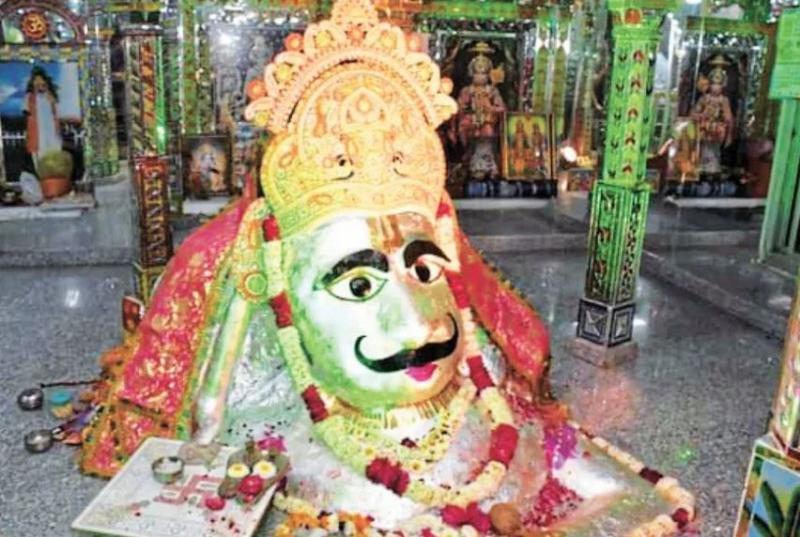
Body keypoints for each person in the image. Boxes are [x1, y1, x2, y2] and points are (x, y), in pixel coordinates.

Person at [77, 2, 694, 535]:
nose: (416, 324)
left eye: (424, 273)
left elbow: (634, 506)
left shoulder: (503, 425)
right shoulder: (268, 458)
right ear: (277, 290)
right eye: (357, 284)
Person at [455, 43, 506, 180]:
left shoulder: (492, 91)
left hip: (488, 120)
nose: (480, 77)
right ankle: (468, 157)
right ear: (472, 74)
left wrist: (490, 108)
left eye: (483, 74)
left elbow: (502, 108)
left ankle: (488, 164)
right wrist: (468, 112)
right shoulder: (467, 90)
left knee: (487, 131)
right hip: (471, 118)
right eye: (477, 73)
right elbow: (459, 107)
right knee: (465, 125)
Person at [691, 57, 735, 175]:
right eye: (713, 84)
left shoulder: (723, 100)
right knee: (703, 151)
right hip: (704, 130)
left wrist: (729, 134)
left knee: (714, 152)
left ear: (723, 86)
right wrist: (702, 115)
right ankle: (701, 168)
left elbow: (729, 118)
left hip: (717, 131)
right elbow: (693, 114)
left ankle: (712, 169)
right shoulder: (704, 98)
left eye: (718, 85)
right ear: (709, 85)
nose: (715, 87)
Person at [23, 66, 62, 171]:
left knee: (55, 158)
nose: (39, 83)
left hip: (52, 132)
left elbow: (57, 111)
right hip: (38, 134)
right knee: (40, 161)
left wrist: (50, 96)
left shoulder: (51, 96)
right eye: (36, 81)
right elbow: (26, 113)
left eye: (41, 81)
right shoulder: (29, 97)